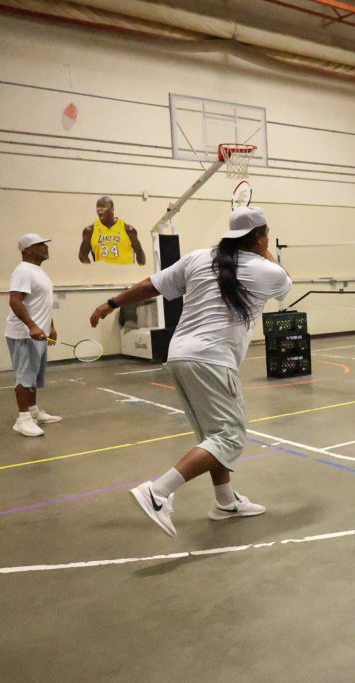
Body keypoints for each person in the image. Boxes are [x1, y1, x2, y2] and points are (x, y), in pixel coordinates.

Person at [90, 207, 292, 535]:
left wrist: (111, 303)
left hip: (180, 355)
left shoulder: (198, 258)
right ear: (259, 236)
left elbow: (152, 285)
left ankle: (225, 501)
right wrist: (264, 249)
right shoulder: (266, 270)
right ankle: (158, 493)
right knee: (228, 438)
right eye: (265, 234)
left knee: (213, 436)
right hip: (213, 360)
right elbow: (284, 283)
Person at [6, 234, 62, 437]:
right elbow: (15, 301)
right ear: (27, 250)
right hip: (24, 334)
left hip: (38, 333)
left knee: (33, 376)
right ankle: (22, 420)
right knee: (24, 378)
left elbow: (43, 303)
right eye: (40, 245)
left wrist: (51, 327)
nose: (46, 247)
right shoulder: (23, 271)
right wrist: (31, 326)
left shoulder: (39, 271)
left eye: (45, 244)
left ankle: (33, 412)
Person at [79, 196, 147, 265]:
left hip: (124, 270)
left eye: (103, 207)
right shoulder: (90, 230)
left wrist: (140, 268)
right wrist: (92, 268)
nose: (99, 209)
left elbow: (139, 252)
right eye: (98, 207)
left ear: (112, 209)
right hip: (102, 270)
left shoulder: (128, 230)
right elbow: (82, 255)